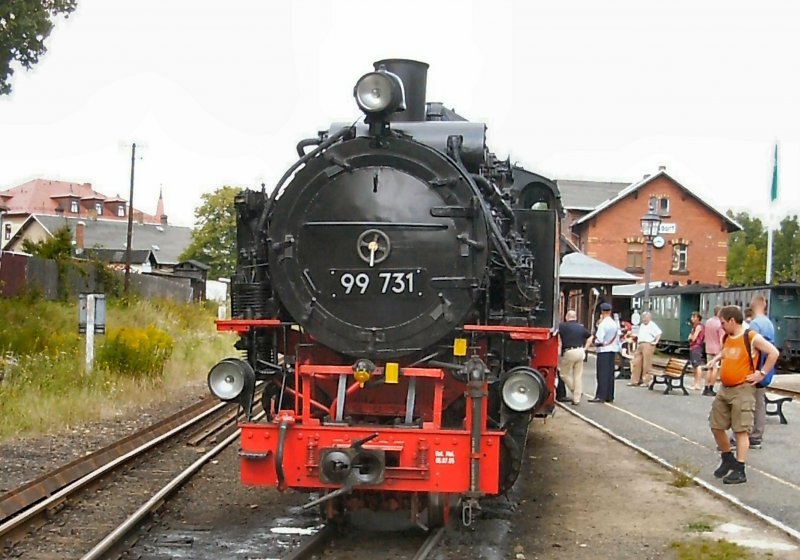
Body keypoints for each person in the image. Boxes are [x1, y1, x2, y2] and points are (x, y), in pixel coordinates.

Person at [709, 305, 779, 484]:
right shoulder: (728, 337)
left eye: (723, 323)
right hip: (725, 388)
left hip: (743, 388)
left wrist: (761, 373)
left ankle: (740, 469)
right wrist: (717, 359)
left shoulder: (751, 336)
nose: (721, 326)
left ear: (732, 321)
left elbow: (773, 352)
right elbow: (728, 352)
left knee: (741, 430)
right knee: (716, 425)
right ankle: (727, 458)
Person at [746, 295, 775, 449]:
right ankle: (757, 434)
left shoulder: (755, 325)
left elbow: (752, 349)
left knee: (752, 403)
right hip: (766, 368)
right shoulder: (769, 323)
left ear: (752, 305)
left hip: (755, 369)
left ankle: (753, 435)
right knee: (760, 402)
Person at [557, 310, 592, 405]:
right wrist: (585, 348)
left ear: (566, 317)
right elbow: (590, 337)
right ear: (575, 317)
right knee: (578, 376)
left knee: (564, 374)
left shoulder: (562, 326)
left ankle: (575, 390)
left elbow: (558, 338)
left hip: (569, 351)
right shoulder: (581, 327)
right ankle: (576, 398)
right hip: (580, 351)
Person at [589, 302, 620, 403]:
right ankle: (609, 395)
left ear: (602, 312)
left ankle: (600, 395)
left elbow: (599, 339)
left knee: (602, 374)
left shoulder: (603, 324)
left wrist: (594, 342)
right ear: (610, 311)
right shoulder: (614, 324)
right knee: (610, 374)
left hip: (603, 350)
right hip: (612, 350)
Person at [628, 311, 661, 386]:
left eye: (646, 318)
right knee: (636, 362)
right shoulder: (642, 325)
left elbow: (658, 333)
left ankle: (646, 381)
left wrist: (655, 342)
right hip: (640, 344)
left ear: (649, 318)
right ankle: (634, 380)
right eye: (643, 318)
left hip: (648, 344)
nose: (644, 319)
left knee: (647, 363)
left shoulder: (652, 325)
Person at [696, 306, 723, 392]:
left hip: (708, 347)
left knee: (709, 368)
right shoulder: (720, 324)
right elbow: (721, 337)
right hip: (717, 348)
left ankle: (706, 387)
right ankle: (711, 387)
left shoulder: (708, 322)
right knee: (715, 368)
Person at [687, 312, 705, 391]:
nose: (692, 319)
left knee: (697, 365)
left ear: (698, 318)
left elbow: (693, 338)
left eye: (694, 317)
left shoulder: (698, 327)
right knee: (694, 365)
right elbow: (689, 337)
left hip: (696, 347)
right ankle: (695, 383)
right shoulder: (694, 327)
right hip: (693, 347)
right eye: (692, 317)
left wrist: (691, 337)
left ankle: (697, 384)